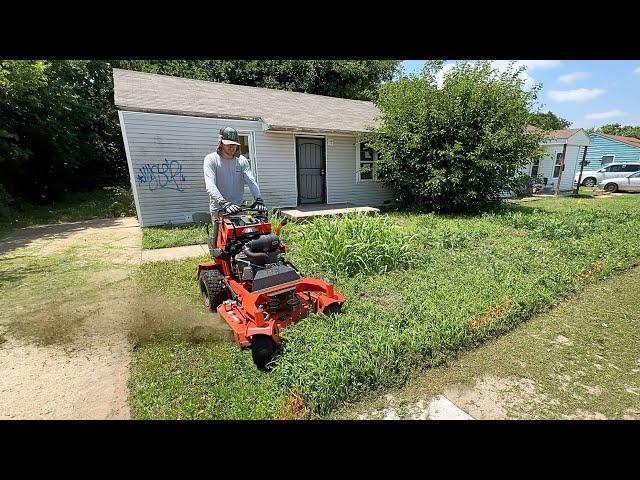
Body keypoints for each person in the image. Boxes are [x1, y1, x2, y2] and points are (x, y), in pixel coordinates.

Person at [203, 126, 268, 243]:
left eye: (234, 144)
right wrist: (223, 202)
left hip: (238, 208)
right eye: (228, 143)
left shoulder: (241, 160)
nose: (232, 147)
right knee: (221, 243)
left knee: (241, 239)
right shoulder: (211, 159)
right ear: (220, 142)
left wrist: (258, 199)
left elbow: (251, 181)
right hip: (220, 209)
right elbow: (210, 185)